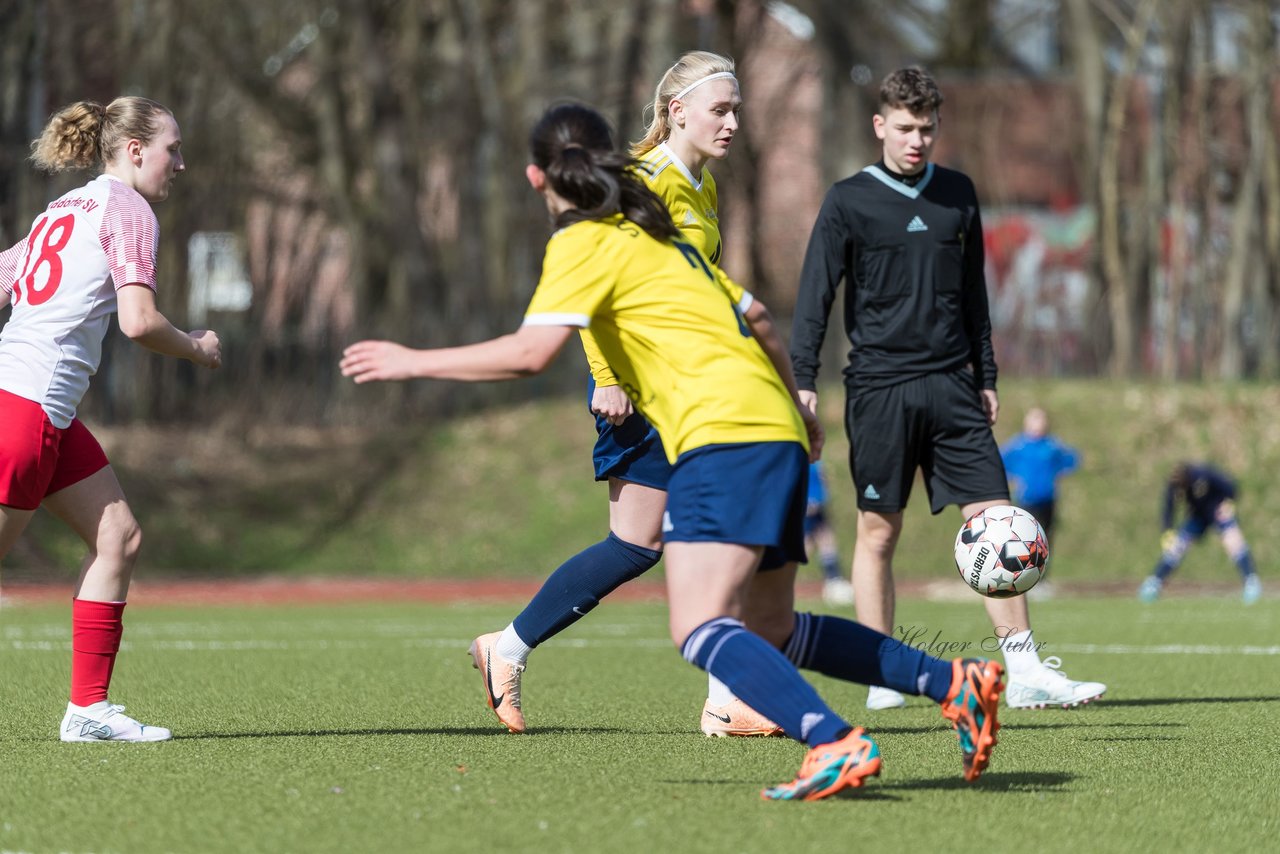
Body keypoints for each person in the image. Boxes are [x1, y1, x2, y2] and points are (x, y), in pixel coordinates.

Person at [341, 102, 1005, 800]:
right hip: (769, 428)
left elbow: (530, 354)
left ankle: (834, 741)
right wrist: (800, 415)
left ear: (537, 177)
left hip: (720, 437)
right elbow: (759, 320)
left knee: (699, 625)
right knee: (772, 626)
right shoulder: (661, 235)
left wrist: (411, 360)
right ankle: (954, 682)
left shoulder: (583, 240)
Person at [464, 52, 779, 738]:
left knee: (678, 538)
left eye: (736, 109)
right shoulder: (648, 181)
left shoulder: (703, 184)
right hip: (640, 391)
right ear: (676, 112)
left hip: (686, 389)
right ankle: (512, 649)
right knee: (660, 541)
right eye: (720, 109)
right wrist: (606, 376)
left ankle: (511, 649)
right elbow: (595, 278)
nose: (733, 122)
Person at [788, 67, 1106, 712]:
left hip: (953, 386)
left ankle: (1025, 671)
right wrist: (802, 381)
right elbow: (814, 295)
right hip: (879, 387)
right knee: (878, 531)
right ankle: (880, 669)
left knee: (998, 520)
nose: (916, 140)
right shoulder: (848, 199)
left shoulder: (958, 192)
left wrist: (986, 375)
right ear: (880, 125)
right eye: (904, 128)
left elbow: (975, 295)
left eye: (927, 128)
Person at [0, 97, 222, 742]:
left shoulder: (65, 207)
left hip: (41, 408)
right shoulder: (129, 208)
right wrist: (198, 348)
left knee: (118, 537)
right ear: (133, 151)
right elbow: (139, 322)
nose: (180, 163)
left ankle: (87, 711)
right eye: (171, 150)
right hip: (27, 407)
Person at [1139, 462, 1262, 604]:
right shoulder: (1173, 484)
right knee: (1176, 547)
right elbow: (1169, 506)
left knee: (1233, 540)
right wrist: (1167, 530)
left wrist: (1229, 501)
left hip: (1217, 510)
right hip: (1197, 516)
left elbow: (1230, 485)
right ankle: (1153, 584)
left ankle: (1251, 582)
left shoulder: (1202, 474)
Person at [1000, 407, 1079, 597]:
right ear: (1026, 423)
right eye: (1034, 420)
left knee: (1045, 541)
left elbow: (1071, 459)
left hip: (1048, 499)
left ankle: (1041, 581)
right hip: (1027, 500)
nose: (1038, 424)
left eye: (1041, 420)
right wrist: (1015, 478)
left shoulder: (1051, 445)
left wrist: (1058, 474)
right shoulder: (1018, 445)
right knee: (1025, 541)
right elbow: (1001, 462)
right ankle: (1021, 578)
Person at [805, 460, 855, 605]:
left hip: (818, 504)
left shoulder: (815, 457)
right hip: (808, 505)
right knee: (806, 545)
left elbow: (823, 479)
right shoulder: (795, 454)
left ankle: (834, 580)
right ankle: (778, 578)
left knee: (826, 540)